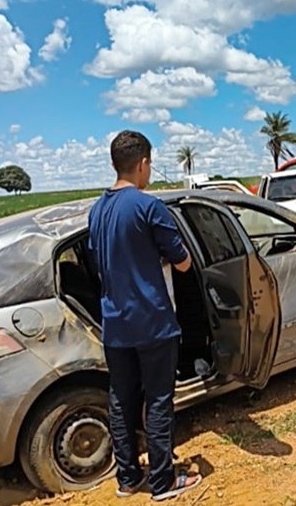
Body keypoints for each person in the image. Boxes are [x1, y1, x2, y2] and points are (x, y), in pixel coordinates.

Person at [88, 130, 202, 501]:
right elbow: (184, 261)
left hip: (115, 324)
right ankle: (163, 482)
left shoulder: (97, 210)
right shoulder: (148, 207)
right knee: (157, 400)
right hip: (152, 322)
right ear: (143, 164)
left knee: (121, 401)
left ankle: (127, 478)